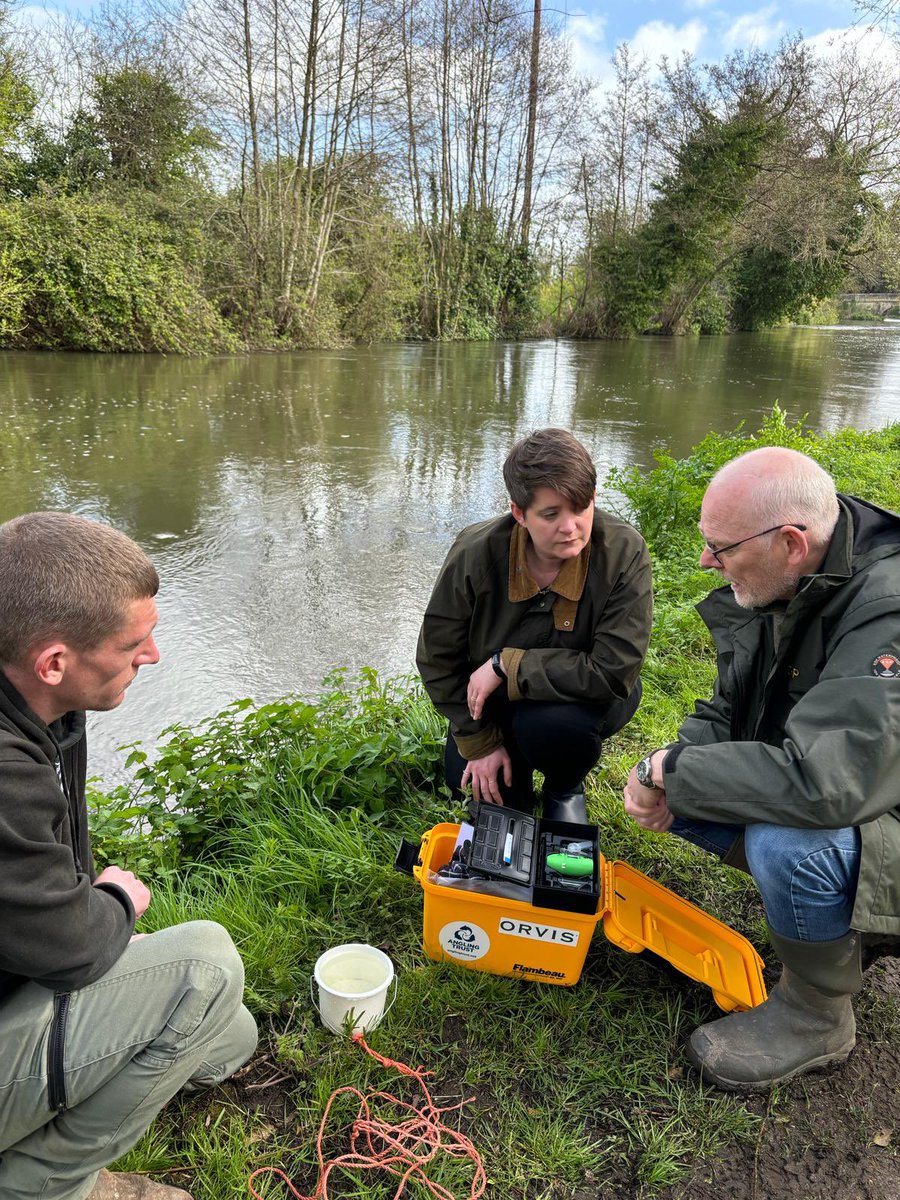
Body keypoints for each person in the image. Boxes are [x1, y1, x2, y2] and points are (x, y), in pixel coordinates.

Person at [623, 446, 900, 1091]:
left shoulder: (886, 613)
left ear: (791, 542)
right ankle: (837, 924)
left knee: (791, 840)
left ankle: (816, 1014)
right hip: (868, 798)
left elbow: (824, 785)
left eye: (721, 547)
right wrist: (668, 769)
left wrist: (681, 771)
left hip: (862, 799)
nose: (705, 562)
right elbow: (729, 708)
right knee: (692, 786)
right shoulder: (792, 580)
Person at [0, 513, 258, 1200]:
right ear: (54, 661)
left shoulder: (42, 701)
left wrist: (92, 921)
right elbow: (68, 947)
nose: (153, 658)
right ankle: (43, 1185)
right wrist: (115, 902)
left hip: (18, 970)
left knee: (231, 1037)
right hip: (28, 976)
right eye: (134, 643)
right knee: (204, 968)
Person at [417, 428, 653, 822]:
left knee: (553, 728)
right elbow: (438, 658)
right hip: (494, 706)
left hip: (581, 702)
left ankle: (564, 785)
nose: (571, 527)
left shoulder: (624, 552)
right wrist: (478, 741)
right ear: (519, 513)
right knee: (482, 797)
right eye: (550, 514)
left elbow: (613, 671)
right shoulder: (474, 554)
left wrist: (507, 665)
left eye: (581, 508)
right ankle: (511, 763)